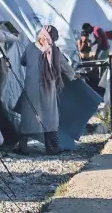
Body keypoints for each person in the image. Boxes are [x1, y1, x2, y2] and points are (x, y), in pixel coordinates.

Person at [17, 25, 76, 155]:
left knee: (28, 116)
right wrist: (74, 76)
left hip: (30, 88)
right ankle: (52, 148)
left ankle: (23, 146)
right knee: (50, 117)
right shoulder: (54, 51)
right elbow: (68, 70)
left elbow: (23, 61)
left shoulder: (30, 47)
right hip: (48, 88)